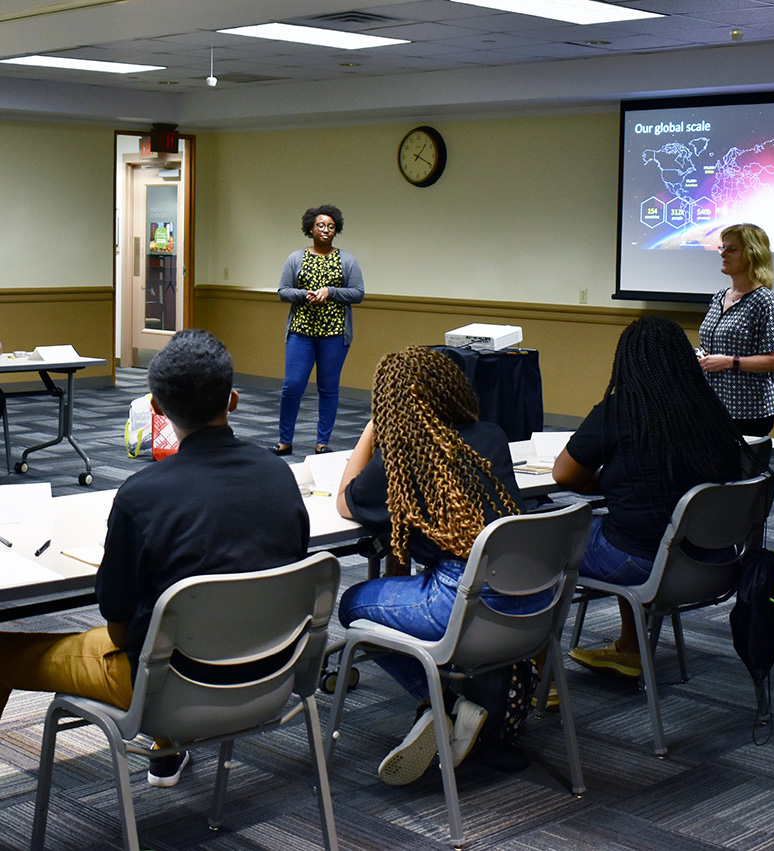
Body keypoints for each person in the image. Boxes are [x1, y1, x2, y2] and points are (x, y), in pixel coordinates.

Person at [0, 329, 309, 787]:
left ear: (157, 409)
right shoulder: (280, 476)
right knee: (193, 616)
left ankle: (171, 736)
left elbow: (119, 625)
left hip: (168, 692)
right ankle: (168, 750)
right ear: (234, 400)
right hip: (274, 677)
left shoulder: (141, 496)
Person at [337, 345, 535, 785]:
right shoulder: (491, 436)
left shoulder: (403, 455)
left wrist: (373, 429)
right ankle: (455, 708)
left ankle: (442, 703)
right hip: (529, 603)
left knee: (353, 606)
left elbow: (345, 499)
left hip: (461, 604)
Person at [553, 316, 745, 678]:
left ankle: (536, 673)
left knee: (544, 542)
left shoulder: (620, 408)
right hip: (715, 562)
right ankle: (628, 648)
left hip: (647, 563)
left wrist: (612, 485)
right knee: (634, 524)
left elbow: (564, 474)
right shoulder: (710, 410)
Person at [273, 204, 365, 457]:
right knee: (292, 386)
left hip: (334, 334)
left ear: (337, 230)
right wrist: (304, 295)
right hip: (301, 332)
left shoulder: (347, 260)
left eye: (331, 226)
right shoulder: (296, 258)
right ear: (310, 228)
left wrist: (330, 292)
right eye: (320, 225)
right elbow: (283, 291)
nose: (326, 230)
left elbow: (358, 293)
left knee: (328, 388)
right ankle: (284, 441)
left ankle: (322, 442)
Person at [698, 222, 774, 437]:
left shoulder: (763, 301)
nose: (723, 254)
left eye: (732, 249)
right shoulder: (719, 297)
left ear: (752, 255)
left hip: (749, 411)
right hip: (714, 406)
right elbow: (712, 345)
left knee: (737, 470)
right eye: (723, 248)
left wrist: (731, 362)